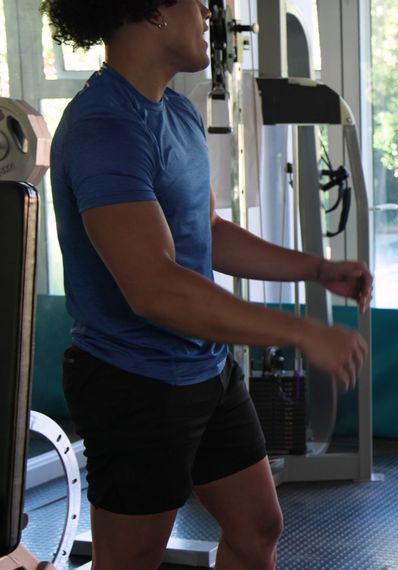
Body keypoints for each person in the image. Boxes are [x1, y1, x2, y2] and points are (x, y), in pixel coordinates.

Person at [42, 1, 372, 568]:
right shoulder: (104, 126)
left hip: (207, 370)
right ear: (153, 13)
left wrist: (315, 268)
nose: (206, 15)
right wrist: (300, 332)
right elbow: (156, 288)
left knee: (258, 526)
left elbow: (208, 230)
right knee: (132, 557)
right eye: (197, 3)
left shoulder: (176, 113)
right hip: (134, 382)